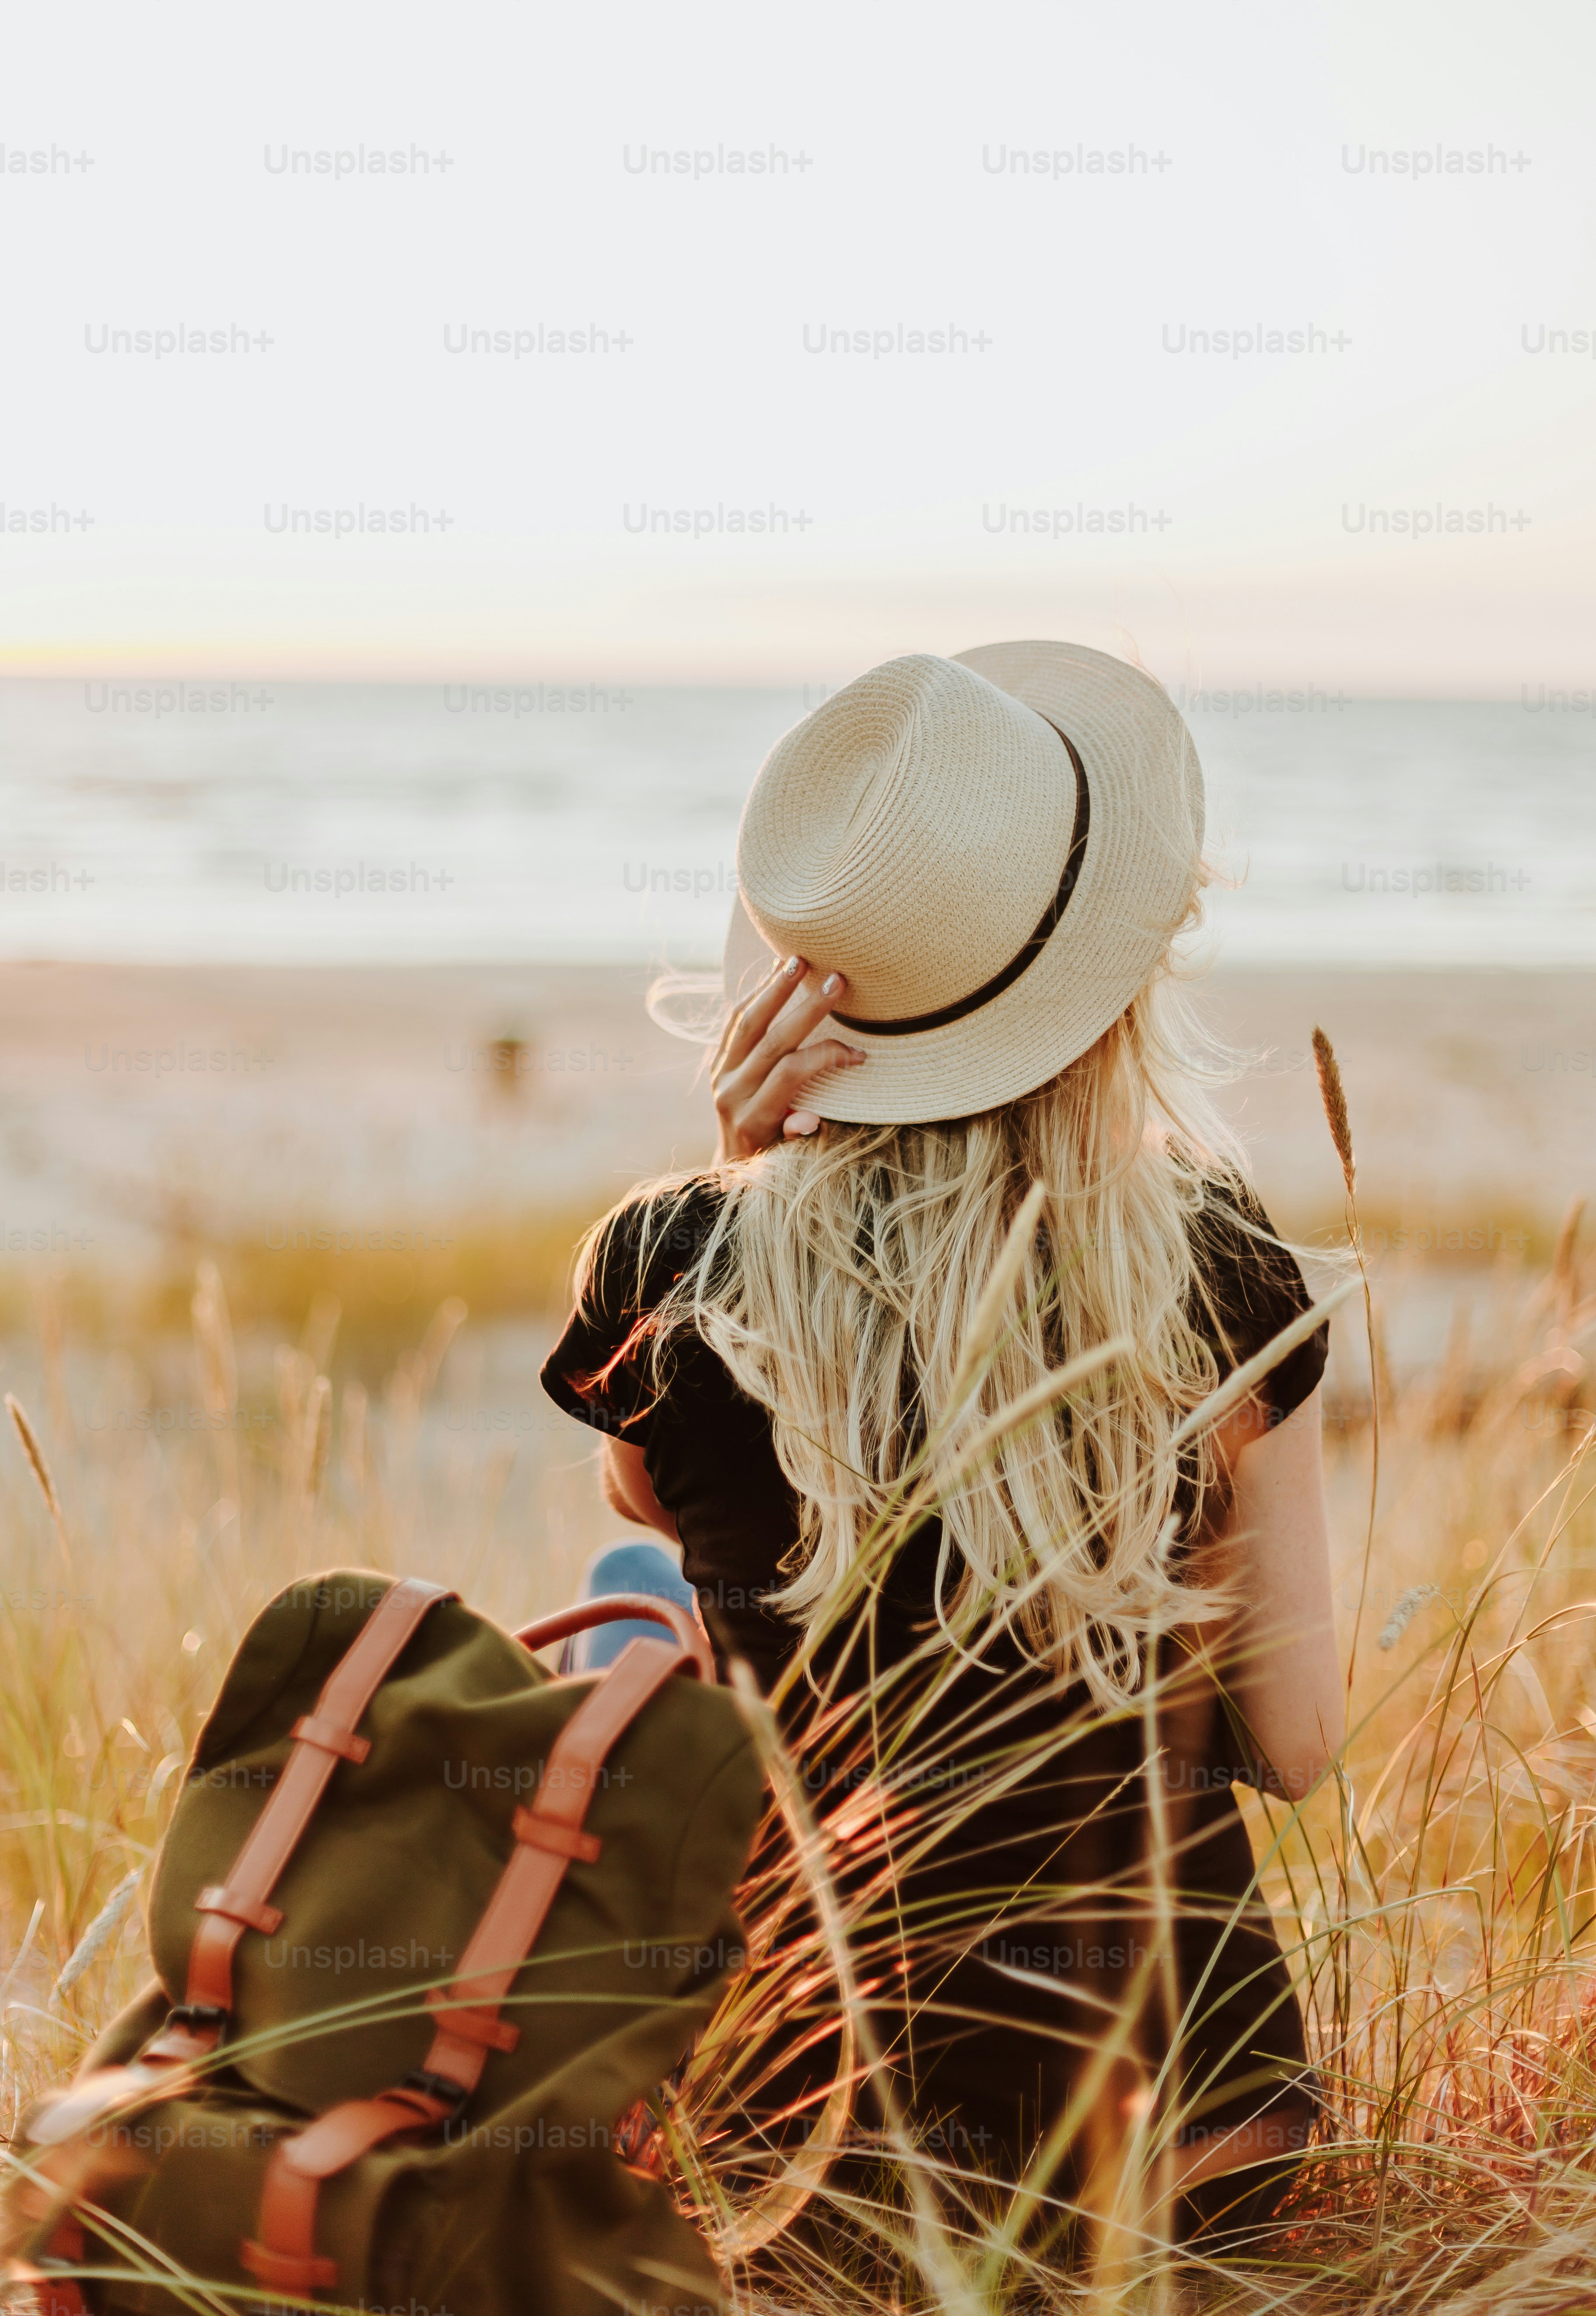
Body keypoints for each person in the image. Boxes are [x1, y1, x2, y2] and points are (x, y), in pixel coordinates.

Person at [540, 644, 1344, 2250]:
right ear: (1102, 972)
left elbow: (672, 1520)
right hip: (1189, 2117)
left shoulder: (659, 1263)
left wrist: (735, 1189)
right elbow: (1299, 1742)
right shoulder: (1208, 1259)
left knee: (631, 1582)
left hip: (822, 2132)